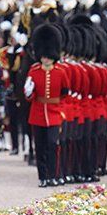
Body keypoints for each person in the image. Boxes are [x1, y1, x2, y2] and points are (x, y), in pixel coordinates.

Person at [25, 24, 70, 188]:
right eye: (43, 55)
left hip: (54, 113)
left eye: (48, 55)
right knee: (40, 147)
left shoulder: (60, 71)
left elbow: (65, 94)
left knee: (53, 145)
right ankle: (43, 177)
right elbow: (29, 97)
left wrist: (62, 112)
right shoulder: (34, 70)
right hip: (37, 113)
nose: (45, 58)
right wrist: (29, 91)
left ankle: (54, 175)